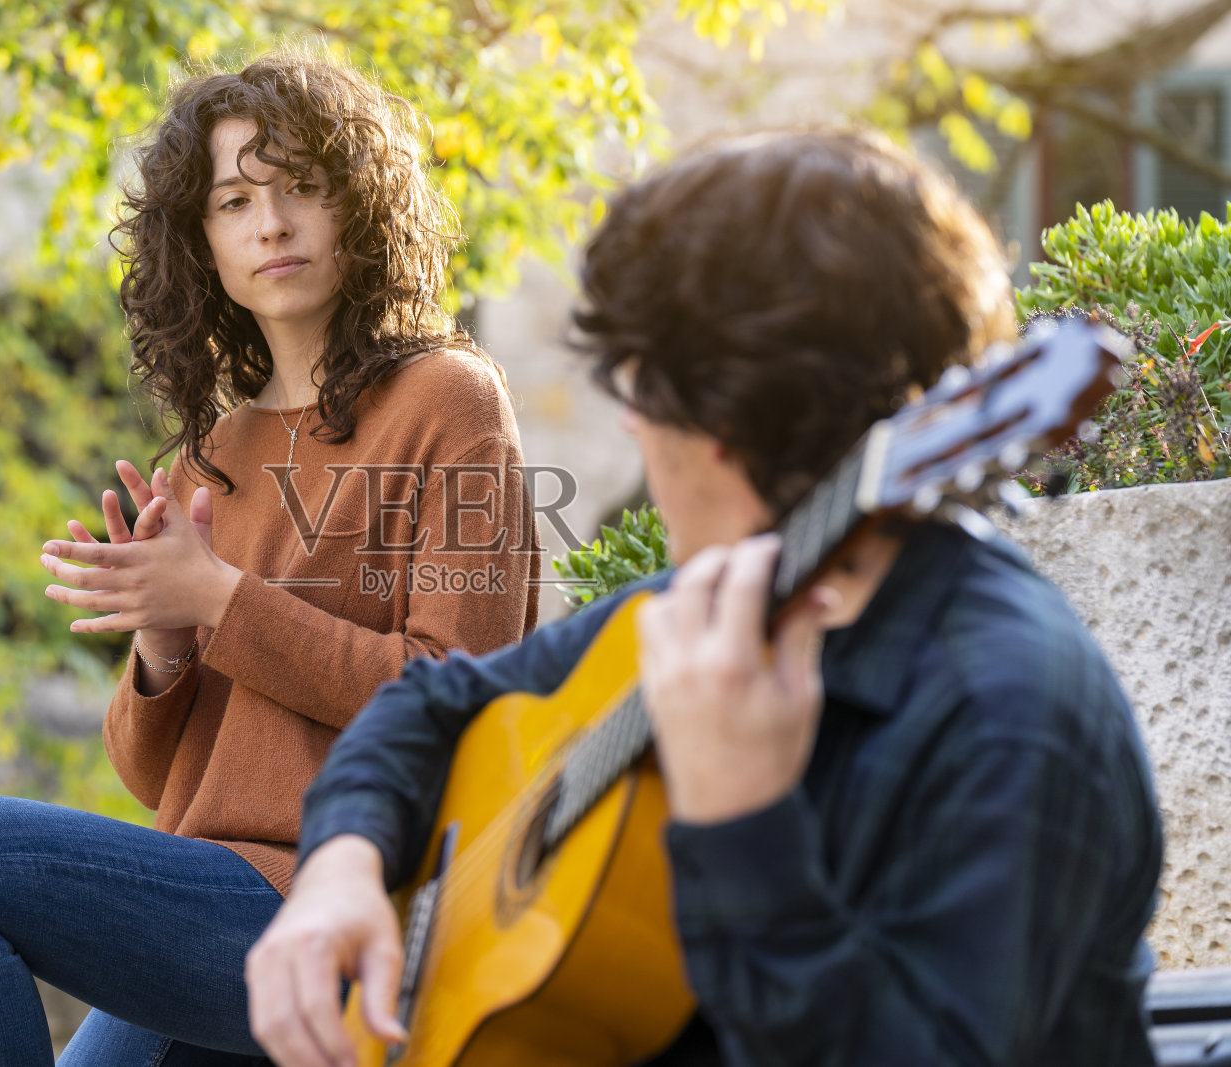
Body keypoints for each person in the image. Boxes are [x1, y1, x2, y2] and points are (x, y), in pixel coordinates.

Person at [245, 129, 1164, 1067]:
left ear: (717, 425)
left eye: (639, 390)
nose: (632, 424)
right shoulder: (700, 607)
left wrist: (741, 824)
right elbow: (433, 702)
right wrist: (341, 866)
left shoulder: (1006, 714)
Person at [0, 49, 540, 1067]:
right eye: (233, 201)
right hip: (201, 898)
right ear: (203, 244)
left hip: (353, 898)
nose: (272, 223)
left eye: (303, 187)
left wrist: (224, 598)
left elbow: (456, 698)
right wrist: (164, 648)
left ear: (359, 206)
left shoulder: (449, 399)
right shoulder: (206, 462)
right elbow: (150, 777)